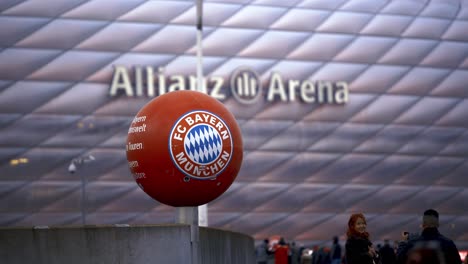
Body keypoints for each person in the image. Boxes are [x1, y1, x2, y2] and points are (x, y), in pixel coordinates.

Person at [396, 209, 461, 264]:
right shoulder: (448, 244)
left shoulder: (412, 243)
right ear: (438, 224)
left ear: (423, 224)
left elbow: (399, 260)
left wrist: (404, 242)